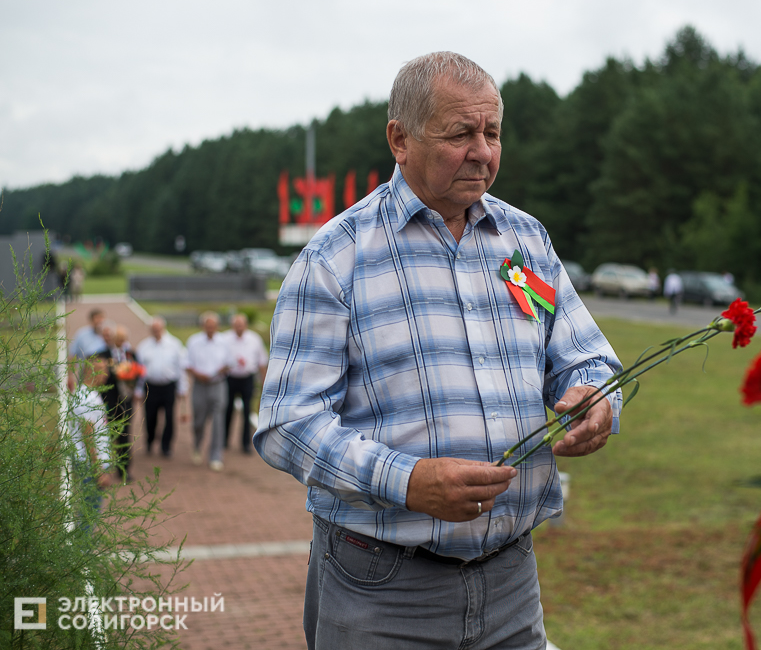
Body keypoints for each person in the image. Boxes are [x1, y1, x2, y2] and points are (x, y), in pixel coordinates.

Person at [256, 51, 623, 650]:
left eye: (493, 133)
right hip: (382, 591)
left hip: (512, 580)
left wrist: (596, 399)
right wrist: (406, 481)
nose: (482, 152)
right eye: (460, 134)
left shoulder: (523, 243)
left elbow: (583, 356)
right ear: (400, 140)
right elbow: (287, 424)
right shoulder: (336, 258)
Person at [67, 356, 114, 529]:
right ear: (93, 372)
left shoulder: (88, 395)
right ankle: (83, 543)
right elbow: (88, 434)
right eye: (104, 371)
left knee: (90, 510)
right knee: (89, 511)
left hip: (90, 461)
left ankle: (84, 541)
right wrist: (98, 470)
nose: (107, 375)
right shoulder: (87, 398)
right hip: (89, 463)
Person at [186, 311, 232, 471]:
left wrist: (221, 370)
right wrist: (198, 374)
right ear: (203, 326)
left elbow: (230, 362)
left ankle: (215, 455)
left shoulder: (224, 342)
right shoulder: (194, 341)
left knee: (218, 420)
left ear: (217, 326)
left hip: (218, 384)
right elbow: (187, 364)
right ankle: (197, 445)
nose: (210, 329)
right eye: (207, 326)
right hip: (200, 385)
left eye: (213, 326)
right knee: (199, 420)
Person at [136, 316, 188, 457]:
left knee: (169, 417)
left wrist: (182, 388)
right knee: (150, 417)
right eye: (153, 329)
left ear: (163, 328)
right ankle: (150, 440)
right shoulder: (144, 346)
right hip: (150, 387)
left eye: (158, 329)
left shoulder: (174, 344)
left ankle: (166, 446)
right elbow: (140, 370)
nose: (156, 331)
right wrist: (138, 390)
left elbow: (181, 368)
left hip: (168, 387)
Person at [223, 314, 268, 454]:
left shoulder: (254, 339)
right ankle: (224, 440)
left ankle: (246, 443)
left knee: (247, 410)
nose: (239, 328)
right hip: (230, 378)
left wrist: (263, 381)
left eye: (241, 325)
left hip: (247, 379)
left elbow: (261, 362)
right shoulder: (224, 339)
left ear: (245, 325)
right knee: (228, 409)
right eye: (237, 325)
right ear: (232, 326)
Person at [98, 325, 138, 481]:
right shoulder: (104, 355)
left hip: (126, 401)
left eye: (123, 339)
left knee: (125, 434)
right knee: (108, 434)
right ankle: (104, 467)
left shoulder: (131, 354)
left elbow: (138, 373)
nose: (121, 341)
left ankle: (124, 469)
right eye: (118, 338)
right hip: (109, 400)